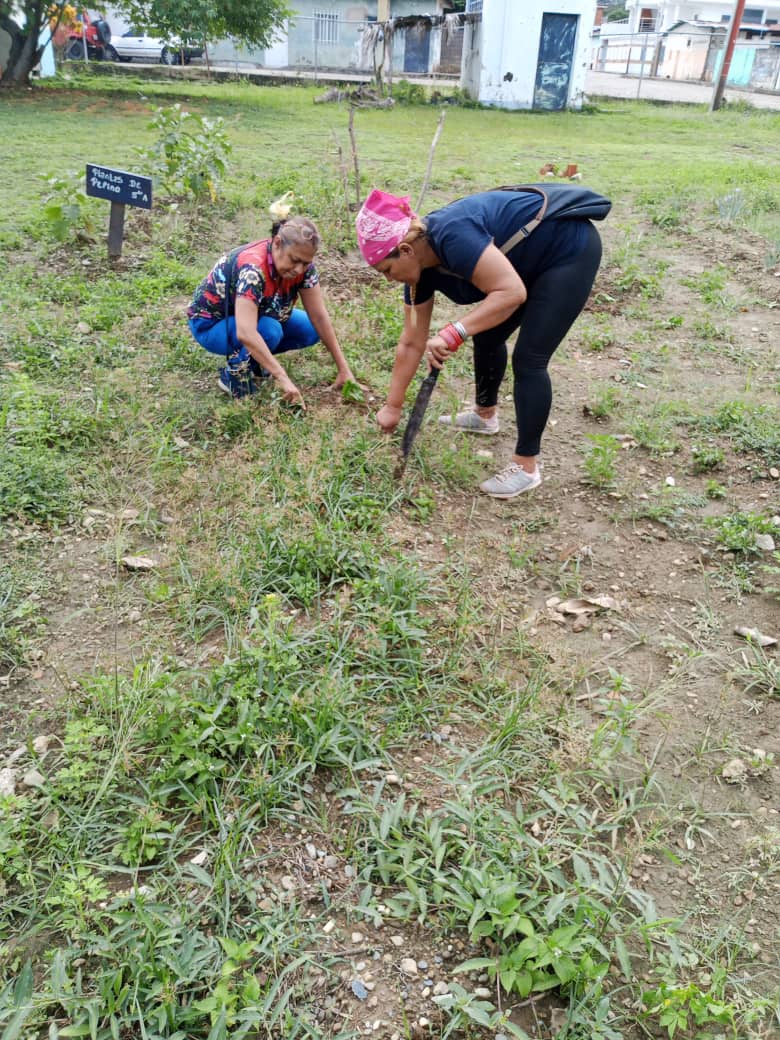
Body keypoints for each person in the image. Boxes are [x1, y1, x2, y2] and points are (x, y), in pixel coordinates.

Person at [355, 187, 604, 499]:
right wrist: (392, 407)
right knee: (488, 334)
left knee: (529, 359)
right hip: (522, 265)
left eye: (387, 270)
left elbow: (511, 293)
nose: (388, 278)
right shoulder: (419, 273)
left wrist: (454, 331)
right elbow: (411, 342)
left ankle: (526, 468)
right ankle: (485, 415)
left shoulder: (452, 236)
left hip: (566, 251)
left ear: (405, 250)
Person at [187, 212, 355, 406]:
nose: (299, 269)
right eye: (294, 260)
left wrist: (344, 368)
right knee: (269, 330)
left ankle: (256, 360)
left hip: (258, 314)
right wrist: (282, 377)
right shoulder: (253, 269)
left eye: (305, 263)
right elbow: (246, 332)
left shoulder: (304, 269)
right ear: (276, 243)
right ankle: (234, 376)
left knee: (310, 329)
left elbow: (319, 317)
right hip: (212, 325)